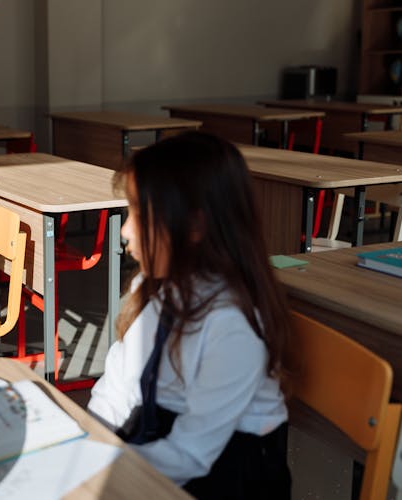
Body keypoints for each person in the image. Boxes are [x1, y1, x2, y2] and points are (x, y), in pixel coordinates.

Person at [87, 131, 292, 499]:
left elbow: (190, 455)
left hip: (228, 471)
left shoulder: (232, 324)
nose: (125, 231)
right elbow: (116, 390)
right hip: (158, 440)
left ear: (195, 226)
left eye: (139, 214)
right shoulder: (152, 288)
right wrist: (91, 440)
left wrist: (104, 473)